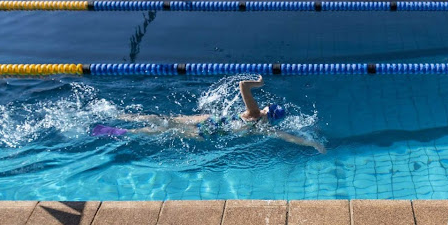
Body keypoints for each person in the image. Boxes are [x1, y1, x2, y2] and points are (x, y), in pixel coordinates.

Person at [93, 75, 326, 153]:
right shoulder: (265, 127)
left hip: (207, 123)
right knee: (162, 130)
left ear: (267, 110)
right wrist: (313, 144)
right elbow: (290, 138)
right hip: (207, 131)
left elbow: (242, 85)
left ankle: (121, 117)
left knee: (165, 121)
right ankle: (123, 131)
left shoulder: (254, 113)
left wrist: (258, 82)